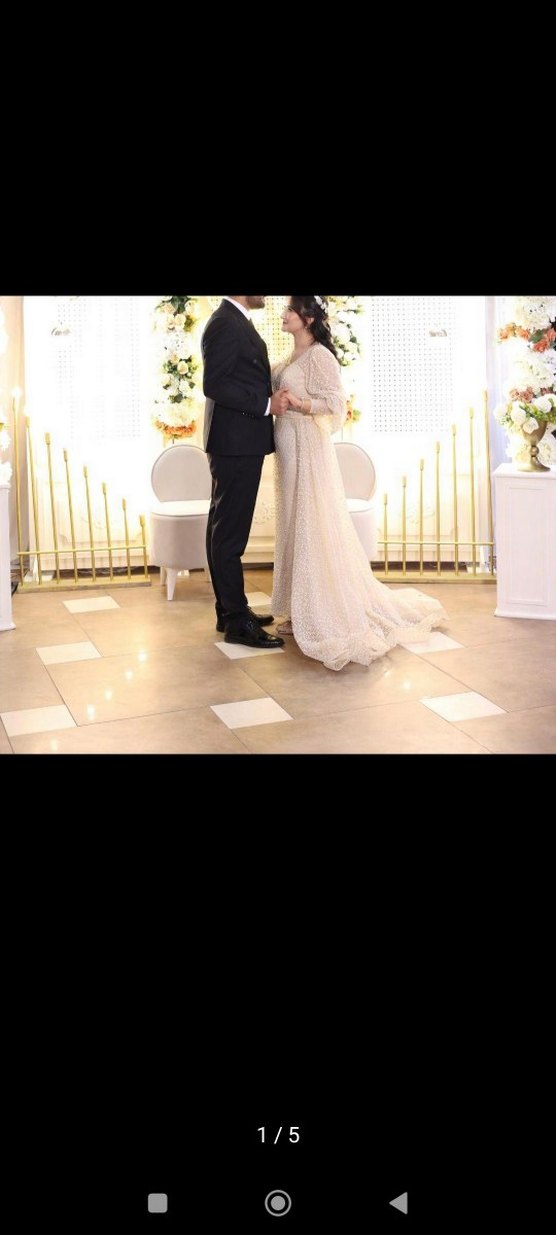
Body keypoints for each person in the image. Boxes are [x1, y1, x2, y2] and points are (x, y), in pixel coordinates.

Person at [271, 296, 448, 671]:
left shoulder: (320, 356)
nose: (282, 315)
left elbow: (336, 404)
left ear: (308, 318)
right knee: (292, 523)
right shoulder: (288, 357)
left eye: (289, 309)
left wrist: (300, 404)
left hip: (307, 446)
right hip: (287, 449)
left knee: (310, 524)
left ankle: (316, 610)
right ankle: (295, 608)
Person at [202, 296, 289, 648]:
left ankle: (229, 611)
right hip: (235, 444)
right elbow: (214, 384)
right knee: (229, 536)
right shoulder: (225, 322)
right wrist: (266, 404)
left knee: (222, 529)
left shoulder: (233, 319)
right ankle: (237, 621)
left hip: (235, 442)